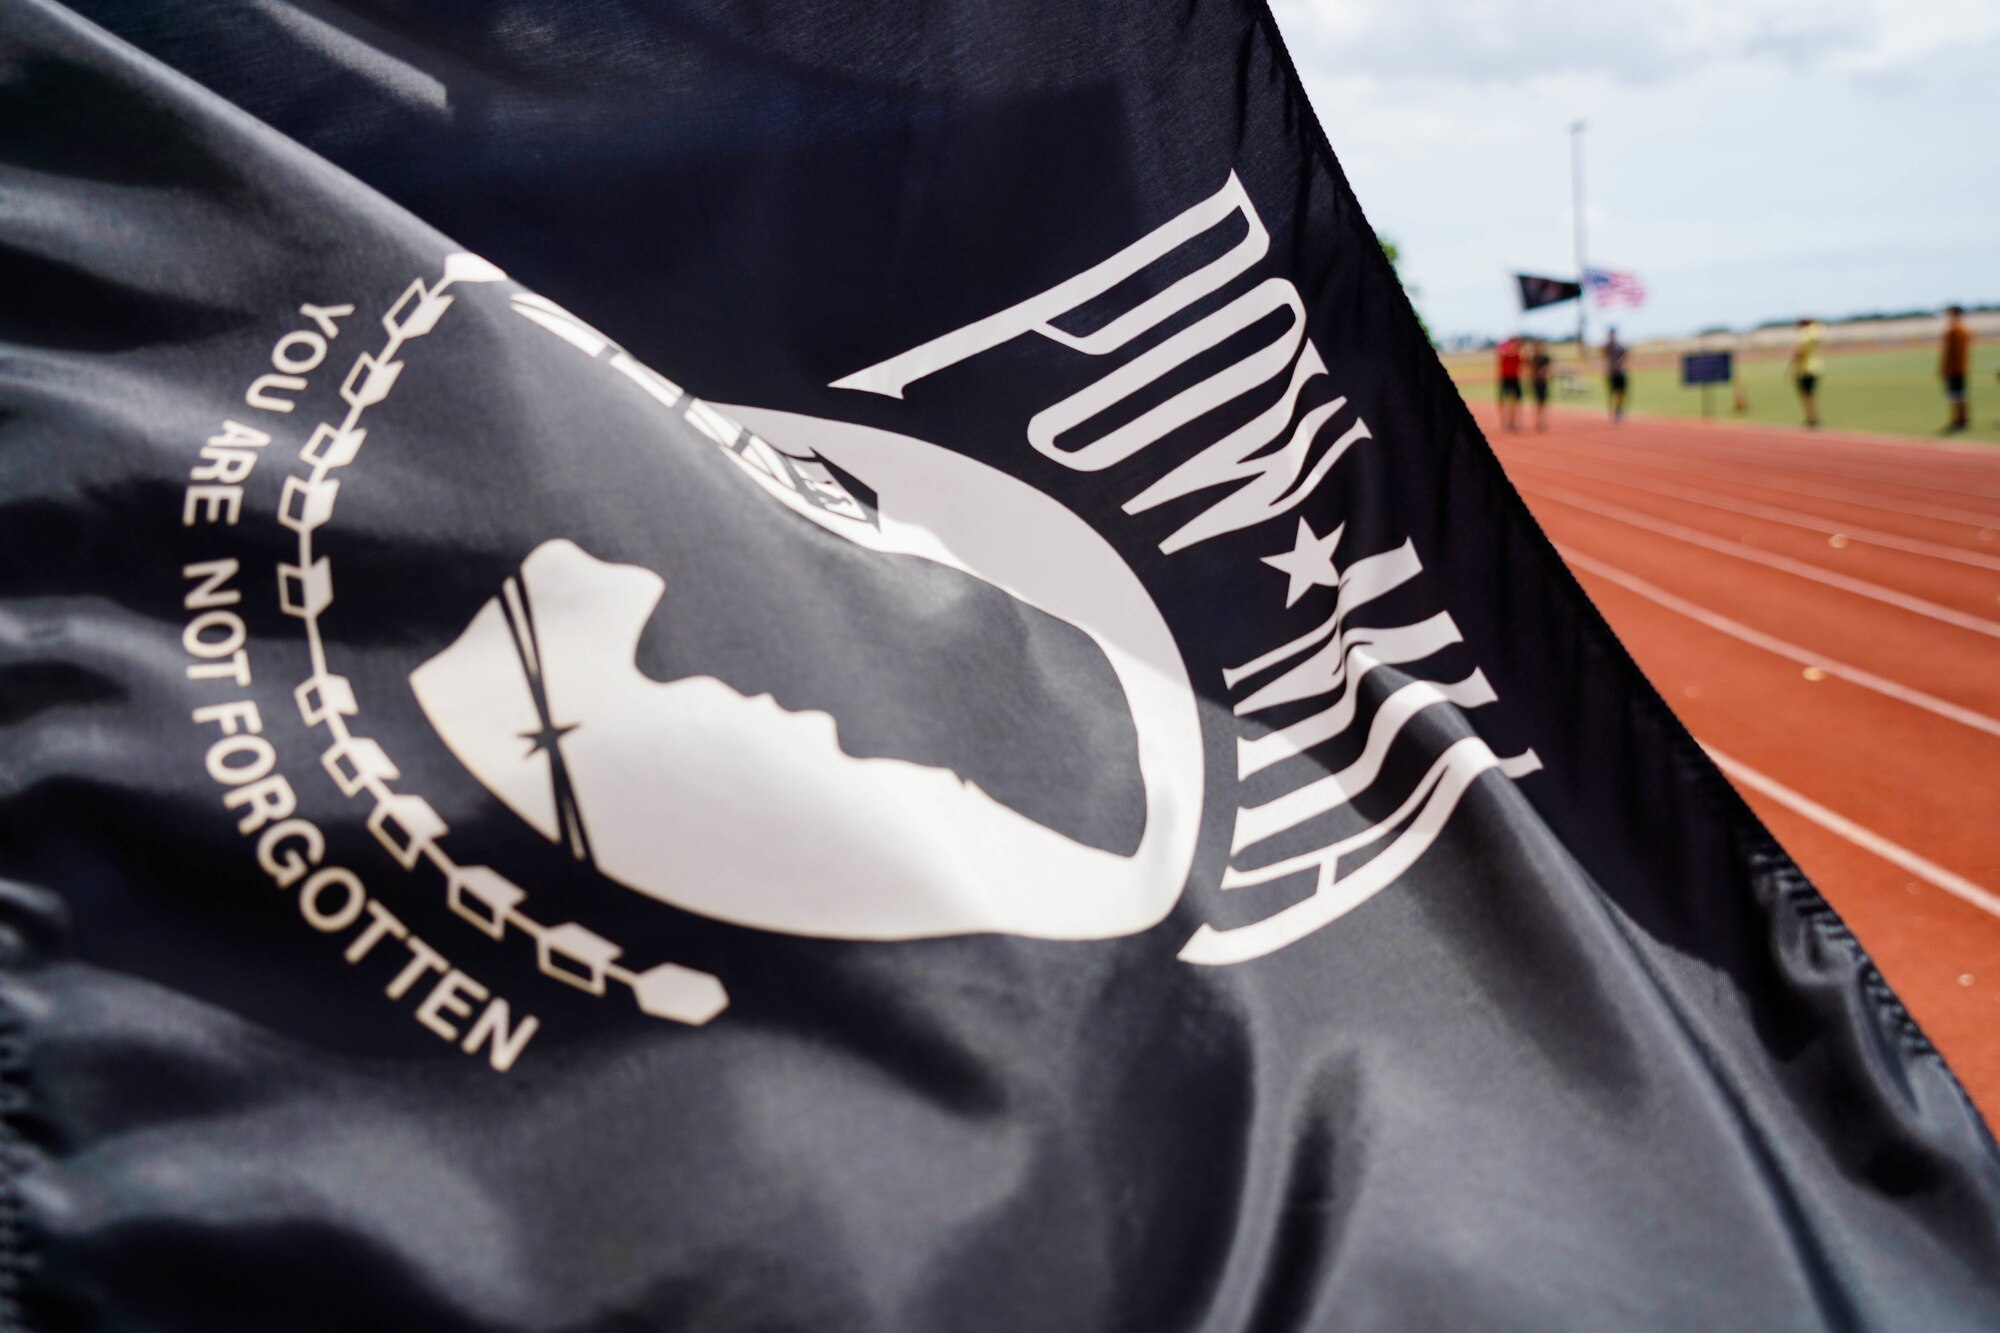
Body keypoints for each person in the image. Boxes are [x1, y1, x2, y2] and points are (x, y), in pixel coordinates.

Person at [1941, 305, 1973, 433]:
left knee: (1957, 396)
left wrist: (1946, 368)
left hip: (1955, 369)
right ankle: (1961, 419)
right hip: (1958, 368)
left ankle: (1960, 420)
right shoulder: (1962, 329)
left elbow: (1951, 352)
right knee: (1959, 395)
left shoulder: (1956, 330)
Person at [1790, 317, 1824, 428]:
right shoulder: (1813, 333)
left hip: (1804, 370)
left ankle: (1811, 418)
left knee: (1806, 395)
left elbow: (1799, 353)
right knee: (1811, 395)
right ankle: (1814, 417)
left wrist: (1792, 366)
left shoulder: (1803, 335)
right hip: (1816, 368)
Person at [1495, 334, 1524, 431]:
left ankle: (1512, 420)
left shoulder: (1518, 354)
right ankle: (1506, 420)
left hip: (1515, 379)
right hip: (1506, 379)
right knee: (1506, 401)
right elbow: (1500, 349)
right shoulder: (1504, 354)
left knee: (1515, 401)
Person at [1604, 327, 1629, 422]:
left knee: (1621, 393)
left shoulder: (1621, 346)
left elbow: (1626, 356)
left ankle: (1619, 410)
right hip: (1612, 373)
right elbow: (1604, 353)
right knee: (1611, 393)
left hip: (1620, 373)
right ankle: (1612, 412)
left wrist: (1621, 362)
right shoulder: (1608, 346)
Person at [1529, 337, 1554, 430]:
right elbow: (1528, 369)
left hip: (1543, 382)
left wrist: (1545, 372)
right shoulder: (1533, 358)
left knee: (1543, 402)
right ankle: (1538, 419)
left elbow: (1549, 368)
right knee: (1537, 401)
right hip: (1535, 382)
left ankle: (1542, 419)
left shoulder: (1546, 358)